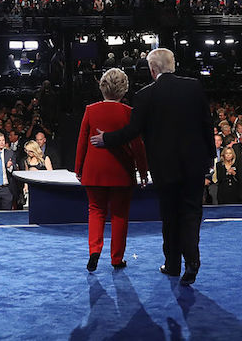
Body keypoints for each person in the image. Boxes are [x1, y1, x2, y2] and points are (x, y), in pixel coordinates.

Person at [91, 48, 215, 286]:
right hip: (194, 164)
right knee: (191, 213)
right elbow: (206, 124)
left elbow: (132, 132)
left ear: (152, 70)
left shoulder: (145, 95)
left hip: (164, 167)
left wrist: (106, 139)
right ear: (173, 65)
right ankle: (192, 261)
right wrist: (210, 156)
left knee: (170, 216)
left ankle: (172, 265)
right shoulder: (194, 87)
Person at [75, 68, 148, 271]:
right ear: (124, 89)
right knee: (120, 215)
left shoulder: (90, 110)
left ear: (102, 87)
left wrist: (78, 168)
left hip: (94, 170)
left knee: (96, 211)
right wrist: (143, 172)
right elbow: (138, 146)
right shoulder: (129, 113)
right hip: (121, 171)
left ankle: (94, 251)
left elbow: (82, 142)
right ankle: (116, 259)